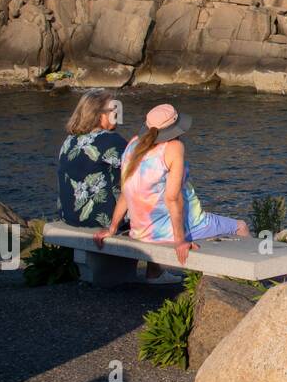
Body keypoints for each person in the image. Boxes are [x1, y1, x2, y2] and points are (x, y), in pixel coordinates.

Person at [96, 103, 249, 266]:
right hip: (174, 231)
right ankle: (250, 285)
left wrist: (112, 228)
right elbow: (172, 198)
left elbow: (127, 191)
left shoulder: (133, 144)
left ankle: (153, 273)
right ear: (174, 128)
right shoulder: (173, 148)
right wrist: (180, 241)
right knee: (240, 226)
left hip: (140, 231)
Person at [57, 89, 126, 229]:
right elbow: (140, 171)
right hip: (103, 220)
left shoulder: (69, 141)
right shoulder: (110, 140)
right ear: (101, 115)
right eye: (114, 110)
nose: (118, 114)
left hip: (69, 216)